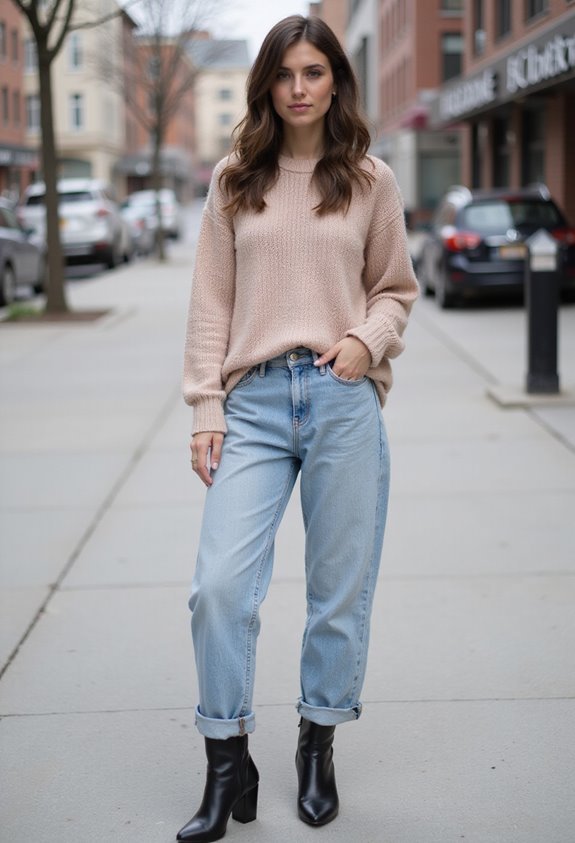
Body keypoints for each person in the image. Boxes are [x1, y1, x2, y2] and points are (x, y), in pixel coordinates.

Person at [178, 14, 418, 842]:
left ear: (335, 82)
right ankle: (225, 759)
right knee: (217, 588)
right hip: (252, 403)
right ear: (266, 86)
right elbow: (210, 302)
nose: (299, 88)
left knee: (337, 594)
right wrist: (205, 406)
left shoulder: (368, 178)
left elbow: (394, 288)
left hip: (340, 397)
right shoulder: (233, 179)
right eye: (284, 74)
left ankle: (317, 743)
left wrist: (364, 340)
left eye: (314, 72)